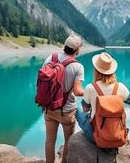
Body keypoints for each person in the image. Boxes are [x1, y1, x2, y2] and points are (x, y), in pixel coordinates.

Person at [42, 35, 85, 163]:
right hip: (67, 111)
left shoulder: (50, 58)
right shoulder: (78, 67)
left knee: (49, 141)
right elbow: (77, 92)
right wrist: (89, 91)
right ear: (77, 50)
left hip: (49, 109)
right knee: (68, 141)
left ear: (65, 46)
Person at [76, 52, 130, 142]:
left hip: (96, 135)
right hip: (117, 134)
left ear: (96, 70)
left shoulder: (90, 87)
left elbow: (85, 110)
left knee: (78, 110)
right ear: (112, 71)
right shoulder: (120, 86)